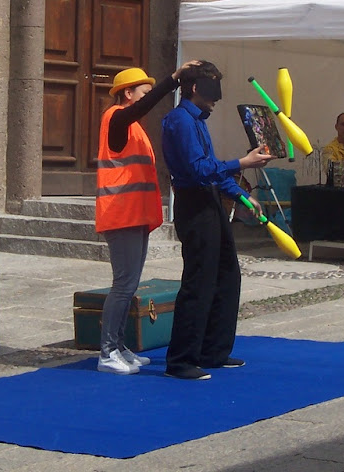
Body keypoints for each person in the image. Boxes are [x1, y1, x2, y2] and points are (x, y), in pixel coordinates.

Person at [161, 62, 273, 380]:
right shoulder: (180, 121)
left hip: (209, 200)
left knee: (227, 276)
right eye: (212, 91)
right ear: (196, 88)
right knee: (199, 281)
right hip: (193, 205)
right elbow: (197, 170)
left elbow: (212, 169)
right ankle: (181, 359)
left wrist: (241, 195)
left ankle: (213, 352)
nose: (217, 100)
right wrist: (242, 161)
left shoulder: (198, 121)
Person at [95, 60, 201, 375]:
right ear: (128, 93)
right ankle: (107, 352)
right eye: (143, 91)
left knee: (129, 285)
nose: (147, 96)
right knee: (123, 284)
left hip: (134, 214)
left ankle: (119, 345)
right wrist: (173, 79)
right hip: (121, 214)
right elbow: (142, 108)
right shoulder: (117, 119)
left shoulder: (132, 126)